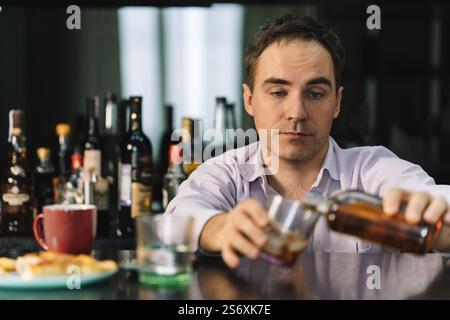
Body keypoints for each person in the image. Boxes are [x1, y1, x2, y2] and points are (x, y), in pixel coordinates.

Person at [166, 14, 450, 268]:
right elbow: (177, 219)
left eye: (314, 94)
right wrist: (220, 227)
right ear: (249, 100)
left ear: (337, 103)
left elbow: (435, 200)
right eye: (278, 92)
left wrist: (439, 219)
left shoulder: (371, 169)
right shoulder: (224, 172)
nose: (297, 113)